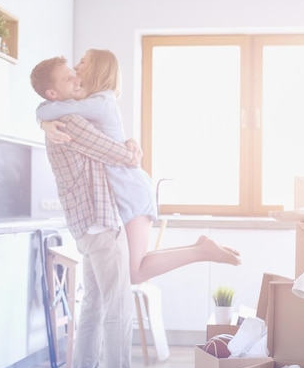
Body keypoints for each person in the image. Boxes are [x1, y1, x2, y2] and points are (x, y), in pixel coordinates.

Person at [37, 49, 241, 285]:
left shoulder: (100, 101)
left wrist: (43, 121)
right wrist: (44, 123)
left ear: (97, 69)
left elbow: (48, 108)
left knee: (134, 273)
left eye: (83, 62)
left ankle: (202, 252)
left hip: (130, 191)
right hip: (124, 191)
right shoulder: (93, 102)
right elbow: (50, 109)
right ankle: (201, 249)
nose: (76, 67)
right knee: (134, 267)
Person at [30, 56, 152, 368]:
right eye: (70, 80)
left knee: (95, 303)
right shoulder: (72, 122)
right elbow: (120, 156)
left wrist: (41, 119)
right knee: (118, 304)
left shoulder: (61, 119)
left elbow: (48, 111)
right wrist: (132, 149)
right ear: (54, 92)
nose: (78, 83)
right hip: (101, 224)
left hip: (85, 228)